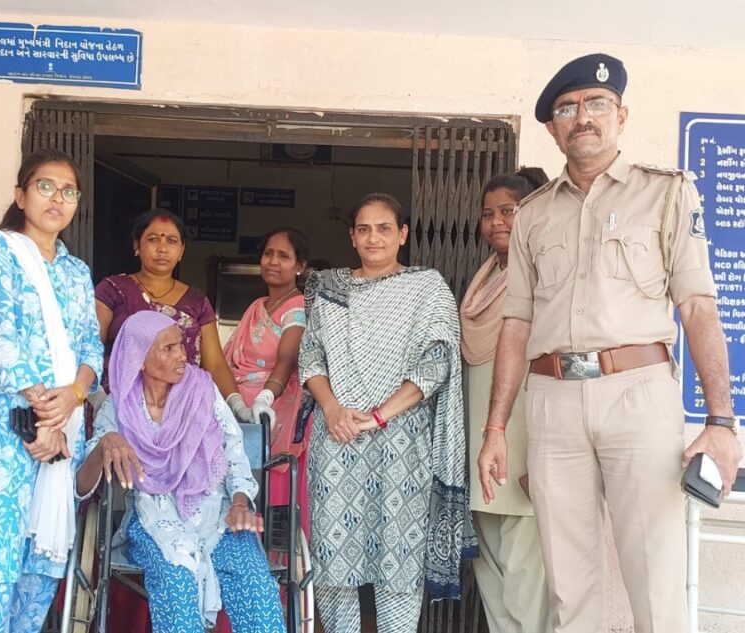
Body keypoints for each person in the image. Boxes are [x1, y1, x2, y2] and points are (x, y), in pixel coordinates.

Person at [477, 53, 743, 633]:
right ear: (553, 130)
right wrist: (495, 428)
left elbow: (698, 305)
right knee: (568, 590)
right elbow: (516, 323)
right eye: (567, 109)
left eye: (597, 104)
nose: (583, 117)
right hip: (553, 402)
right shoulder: (531, 215)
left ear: (620, 115)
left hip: (638, 395)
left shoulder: (666, 194)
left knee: (655, 581)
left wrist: (721, 422)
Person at [0, 148, 104, 632]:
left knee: (37, 574)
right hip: (1, 431)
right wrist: (46, 409)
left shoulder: (76, 271)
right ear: (21, 195)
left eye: (69, 191)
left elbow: (91, 348)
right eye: (45, 186)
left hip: (60, 438)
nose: (57, 199)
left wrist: (73, 396)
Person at [299, 193, 474, 633]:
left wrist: (381, 415)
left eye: (383, 228)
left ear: (403, 234)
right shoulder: (330, 288)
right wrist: (332, 408)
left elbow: (437, 361)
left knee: (399, 558)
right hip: (337, 438)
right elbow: (311, 355)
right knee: (334, 559)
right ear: (352, 237)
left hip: (402, 442)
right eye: (363, 229)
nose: (373, 238)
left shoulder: (426, 287)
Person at [77, 311, 285, 632]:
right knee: (177, 577)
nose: (182, 355)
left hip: (217, 512)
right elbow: (82, 485)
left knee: (254, 582)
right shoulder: (120, 408)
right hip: (154, 515)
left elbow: (233, 449)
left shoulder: (203, 390)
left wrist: (240, 502)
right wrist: (105, 444)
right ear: (139, 360)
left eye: (181, 345)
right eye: (169, 348)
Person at [461, 168, 550, 633]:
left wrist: (544, 455)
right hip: (482, 451)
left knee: (526, 581)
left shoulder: (545, 277)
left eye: (508, 211)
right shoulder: (485, 278)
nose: (496, 221)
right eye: (487, 213)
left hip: (522, 449)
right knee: (491, 577)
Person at [95, 209, 259, 425]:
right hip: (120, 409)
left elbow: (215, 365)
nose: (162, 248)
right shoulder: (113, 290)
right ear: (137, 245)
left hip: (182, 413)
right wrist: (95, 395)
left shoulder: (196, 301)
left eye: (172, 241)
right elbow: (91, 348)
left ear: (182, 250)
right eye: (153, 239)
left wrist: (237, 405)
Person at [223, 227, 311, 535]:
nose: (273, 261)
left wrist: (265, 398)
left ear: (300, 266)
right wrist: (234, 401)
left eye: (283, 256)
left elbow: (287, 361)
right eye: (268, 254)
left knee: (269, 488)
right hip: (238, 411)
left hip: (274, 412)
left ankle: (269, 558)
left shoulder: (297, 307)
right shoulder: (257, 306)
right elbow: (227, 360)